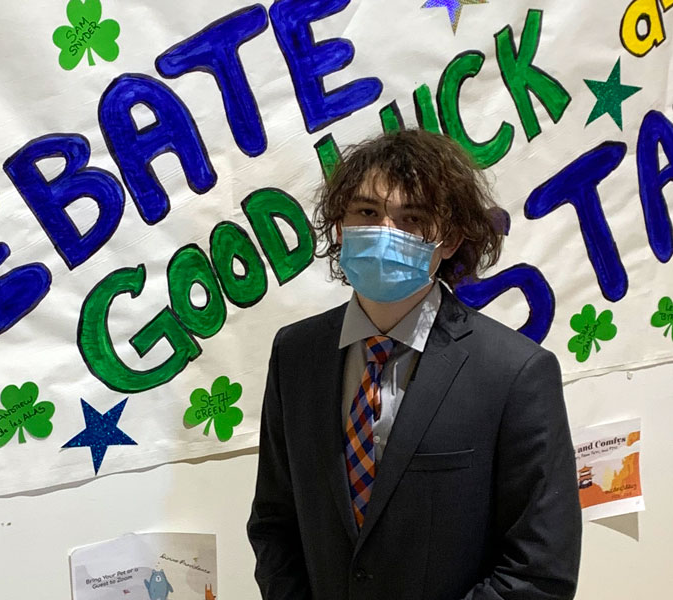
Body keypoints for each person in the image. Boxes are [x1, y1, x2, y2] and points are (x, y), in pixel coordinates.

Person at [246, 129, 581, 600]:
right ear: (340, 227)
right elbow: (274, 523)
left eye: (412, 218)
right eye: (366, 212)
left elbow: (539, 570)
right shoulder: (294, 354)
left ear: (449, 240)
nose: (385, 231)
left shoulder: (516, 373)